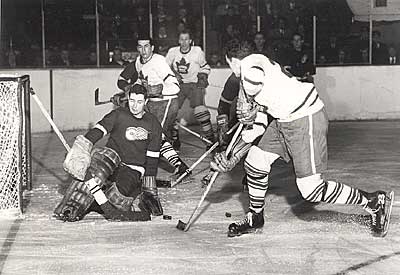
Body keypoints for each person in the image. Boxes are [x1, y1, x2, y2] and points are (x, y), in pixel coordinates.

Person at [210, 43, 394, 238]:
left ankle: (372, 201)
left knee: (311, 190)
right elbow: (259, 125)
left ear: (233, 61)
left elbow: (253, 76)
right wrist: (234, 156)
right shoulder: (259, 61)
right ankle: (255, 217)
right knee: (255, 162)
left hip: (305, 118)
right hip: (283, 119)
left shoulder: (249, 69)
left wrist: (247, 102)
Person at [54, 84, 164, 222]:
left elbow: (152, 157)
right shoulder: (119, 114)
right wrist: (83, 146)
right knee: (97, 171)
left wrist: (150, 189)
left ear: (146, 102)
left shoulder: (153, 123)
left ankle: (95, 200)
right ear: (128, 99)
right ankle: (71, 207)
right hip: (113, 159)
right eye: (132, 101)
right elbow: (99, 130)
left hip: (134, 168)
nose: (135, 106)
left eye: (139, 102)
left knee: (116, 199)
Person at [113, 36, 190, 180]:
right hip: (151, 104)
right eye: (140, 47)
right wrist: (125, 92)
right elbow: (130, 82)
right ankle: (181, 167)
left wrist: (158, 90)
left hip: (166, 102)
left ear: (152, 48)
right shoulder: (138, 62)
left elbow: (175, 86)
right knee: (147, 134)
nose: (144, 50)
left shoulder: (159, 61)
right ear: (137, 48)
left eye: (147, 46)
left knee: (153, 137)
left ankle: (144, 170)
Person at [165, 30, 214, 150]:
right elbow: (164, 68)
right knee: (172, 110)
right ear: (178, 40)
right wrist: (173, 74)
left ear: (190, 41)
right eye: (182, 39)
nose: (184, 42)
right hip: (179, 85)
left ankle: (210, 139)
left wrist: (203, 76)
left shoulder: (197, 51)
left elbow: (206, 67)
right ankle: (175, 139)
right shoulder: (173, 51)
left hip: (194, 84)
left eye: (186, 39)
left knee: (200, 110)